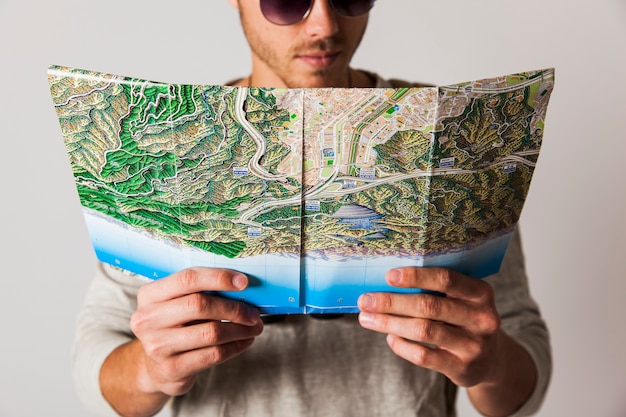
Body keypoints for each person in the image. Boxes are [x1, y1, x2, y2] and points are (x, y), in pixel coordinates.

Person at [72, 1, 551, 416]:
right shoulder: (168, 139)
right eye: (287, 1)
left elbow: (523, 366)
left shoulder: (447, 132)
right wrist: (150, 369)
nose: (324, 25)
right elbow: (96, 364)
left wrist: (489, 365)